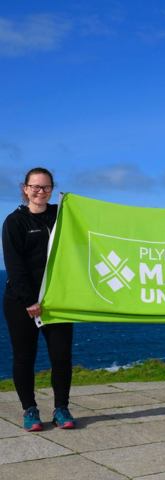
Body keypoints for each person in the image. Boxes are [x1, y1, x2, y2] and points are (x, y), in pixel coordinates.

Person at [2, 167, 76, 431]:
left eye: (46, 187)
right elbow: (14, 265)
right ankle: (29, 410)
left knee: (61, 357)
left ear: (52, 189)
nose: (40, 192)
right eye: (35, 187)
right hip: (21, 302)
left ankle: (61, 408)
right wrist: (29, 300)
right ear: (25, 189)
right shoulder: (14, 221)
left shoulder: (61, 216)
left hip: (57, 301)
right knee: (24, 357)